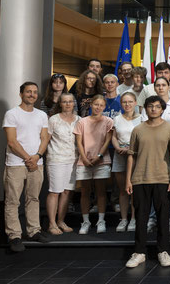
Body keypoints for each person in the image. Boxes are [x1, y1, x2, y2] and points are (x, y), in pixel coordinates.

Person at [124, 96, 170, 268]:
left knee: (163, 218)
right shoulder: (138, 129)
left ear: (162, 109)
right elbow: (131, 156)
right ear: (145, 109)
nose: (154, 109)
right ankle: (139, 252)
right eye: (150, 106)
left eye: (157, 106)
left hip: (163, 179)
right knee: (141, 218)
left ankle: (163, 251)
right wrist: (128, 179)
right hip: (140, 179)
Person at [3, 82, 50, 252]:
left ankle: (33, 231)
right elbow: (12, 141)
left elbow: (45, 138)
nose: (32, 94)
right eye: (28, 92)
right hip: (16, 164)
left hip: (37, 163)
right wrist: (27, 158)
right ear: (21, 94)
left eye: (35, 92)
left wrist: (37, 156)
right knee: (13, 200)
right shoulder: (11, 114)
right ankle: (14, 235)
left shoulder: (41, 115)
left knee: (33, 198)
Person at [74, 94, 113, 234]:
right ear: (91, 105)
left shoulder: (108, 121)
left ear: (104, 107)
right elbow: (78, 141)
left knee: (101, 192)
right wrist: (84, 158)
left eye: (101, 105)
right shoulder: (82, 122)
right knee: (85, 192)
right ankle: (85, 221)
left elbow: (108, 141)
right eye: (96, 104)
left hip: (101, 160)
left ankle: (101, 220)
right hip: (84, 160)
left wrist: (99, 156)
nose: (98, 107)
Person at [46, 93, 80, 235]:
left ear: (74, 103)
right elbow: (45, 139)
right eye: (64, 102)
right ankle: (52, 223)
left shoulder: (80, 120)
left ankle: (61, 221)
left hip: (73, 160)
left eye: (70, 101)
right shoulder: (53, 119)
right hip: (56, 159)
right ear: (60, 103)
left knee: (67, 192)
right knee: (55, 191)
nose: (67, 104)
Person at [112, 92, 143, 232]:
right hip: (120, 155)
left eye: (130, 102)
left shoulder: (142, 119)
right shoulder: (117, 119)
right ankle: (123, 219)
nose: (127, 104)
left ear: (135, 103)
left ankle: (134, 219)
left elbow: (143, 138)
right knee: (123, 190)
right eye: (124, 102)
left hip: (136, 156)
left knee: (135, 189)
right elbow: (113, 136)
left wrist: (131, 149)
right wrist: (117, 147)